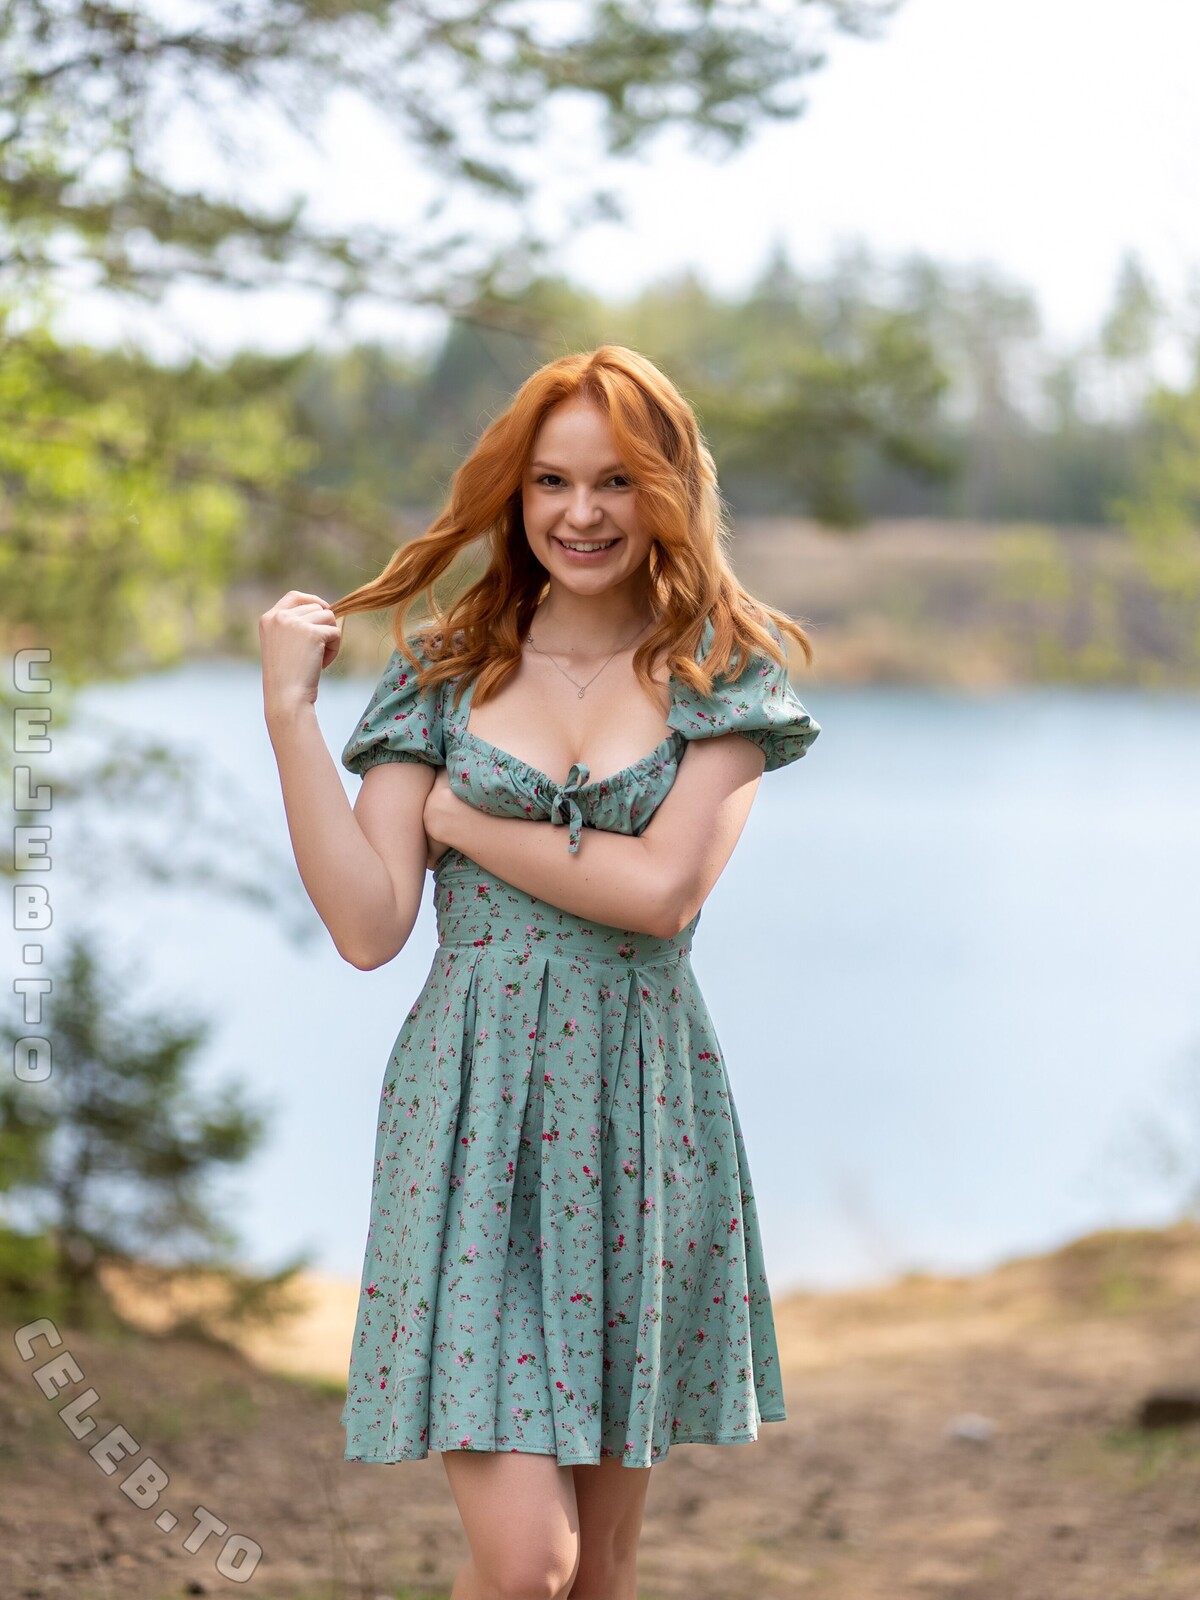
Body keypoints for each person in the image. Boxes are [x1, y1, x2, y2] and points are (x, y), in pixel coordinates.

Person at [259, 345, 821, 1600]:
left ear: (667, 490)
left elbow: (663, 892)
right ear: (514, 495)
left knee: (602, 1568)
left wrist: (467, 820)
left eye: (616, 481)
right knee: (529, 1563)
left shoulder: (721, 676)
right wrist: (291, 718)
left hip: (639, 1107)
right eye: (552, 482)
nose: (582, 513)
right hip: (471, 1116)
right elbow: (368, 922)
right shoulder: (446, 670)